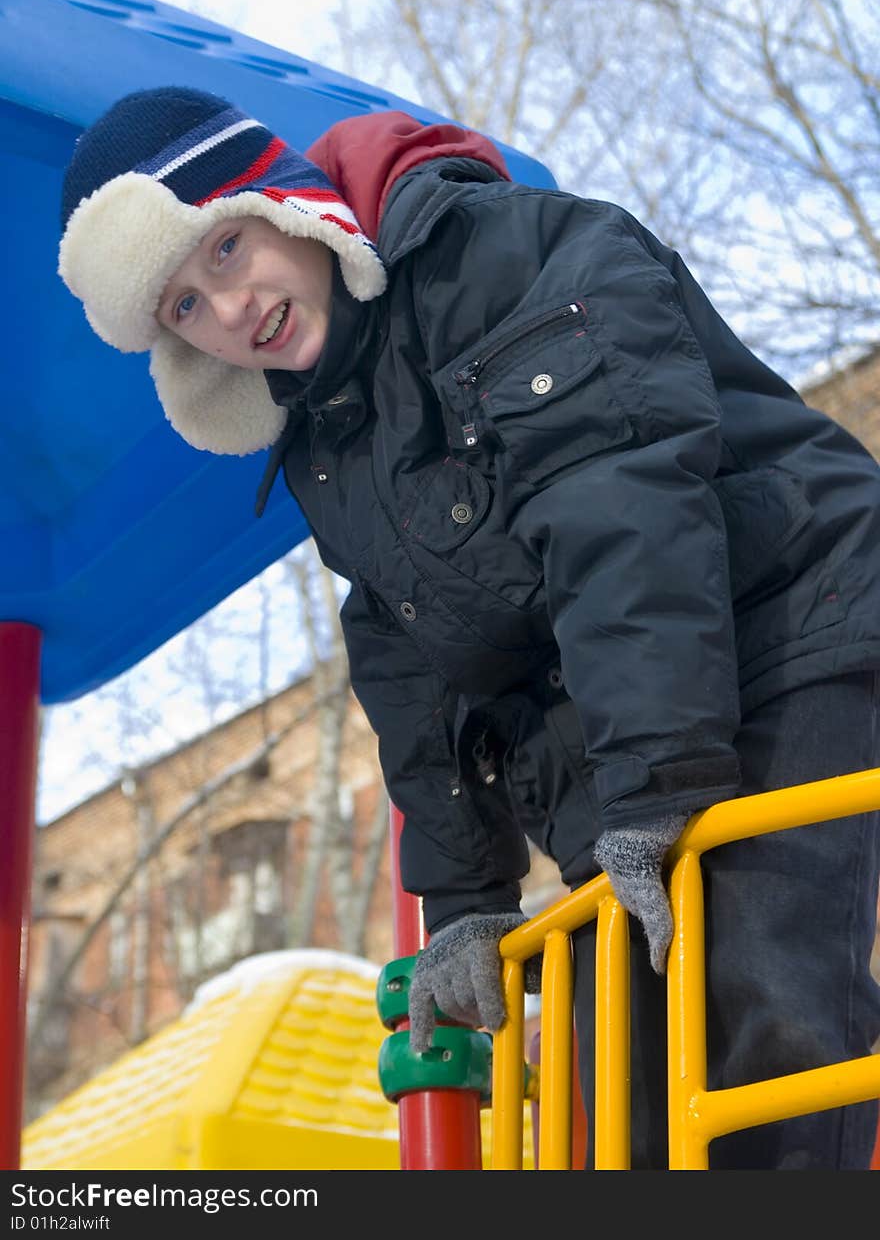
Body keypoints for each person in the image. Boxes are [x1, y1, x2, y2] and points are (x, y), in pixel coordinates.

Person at [57, 86, 880, 1170]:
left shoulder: (496, 260)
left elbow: (618, 511)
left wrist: (656, 779)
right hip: (619, 721)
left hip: (783, 617)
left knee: (764, 996)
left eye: (224, 249)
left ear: (285, 201)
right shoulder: (327, 440)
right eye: (182, 310)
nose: (226, 307)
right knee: (619, 1080)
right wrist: (464, 900)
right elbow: (408, 658)